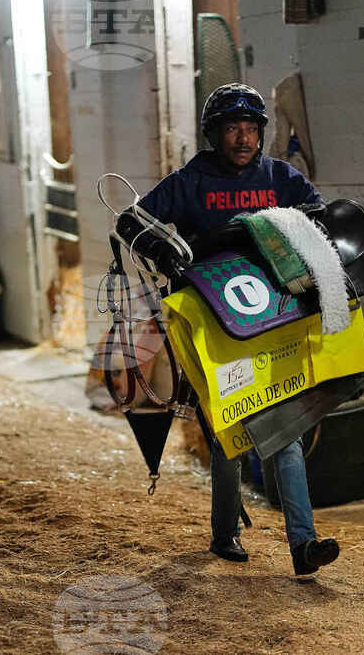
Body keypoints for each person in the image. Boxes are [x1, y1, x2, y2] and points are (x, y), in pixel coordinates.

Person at [119, 83, 340, 575]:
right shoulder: (192, 180)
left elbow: (320, 216)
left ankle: (303, 544)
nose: (242, 138)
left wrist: (308, 230)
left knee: (283, 430)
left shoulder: (280, 177)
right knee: (229, 431)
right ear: (215, 133)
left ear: (262, 133)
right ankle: (225, 534)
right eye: (232, 129)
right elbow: (131, 223)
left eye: (251, 129)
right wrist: (175, 250)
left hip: (275, 318)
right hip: (215, 319)